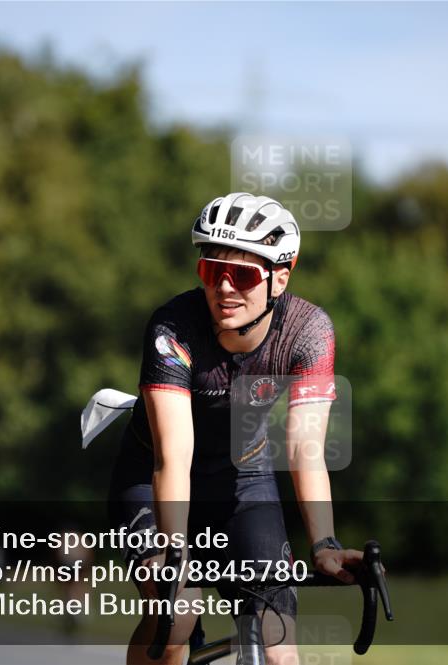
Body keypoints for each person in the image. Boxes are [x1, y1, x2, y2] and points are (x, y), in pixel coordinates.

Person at [108, 192, 362, 665]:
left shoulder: (308, 332)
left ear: (279, 278)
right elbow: (173, 456)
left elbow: (305, 448)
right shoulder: (173, 327)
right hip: (152, 477)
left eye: (242, 275)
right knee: (178, 611)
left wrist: (324, 543)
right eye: (211, 270)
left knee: (279, 643)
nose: (224, 288)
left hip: (244, 477)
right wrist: (175, 551)